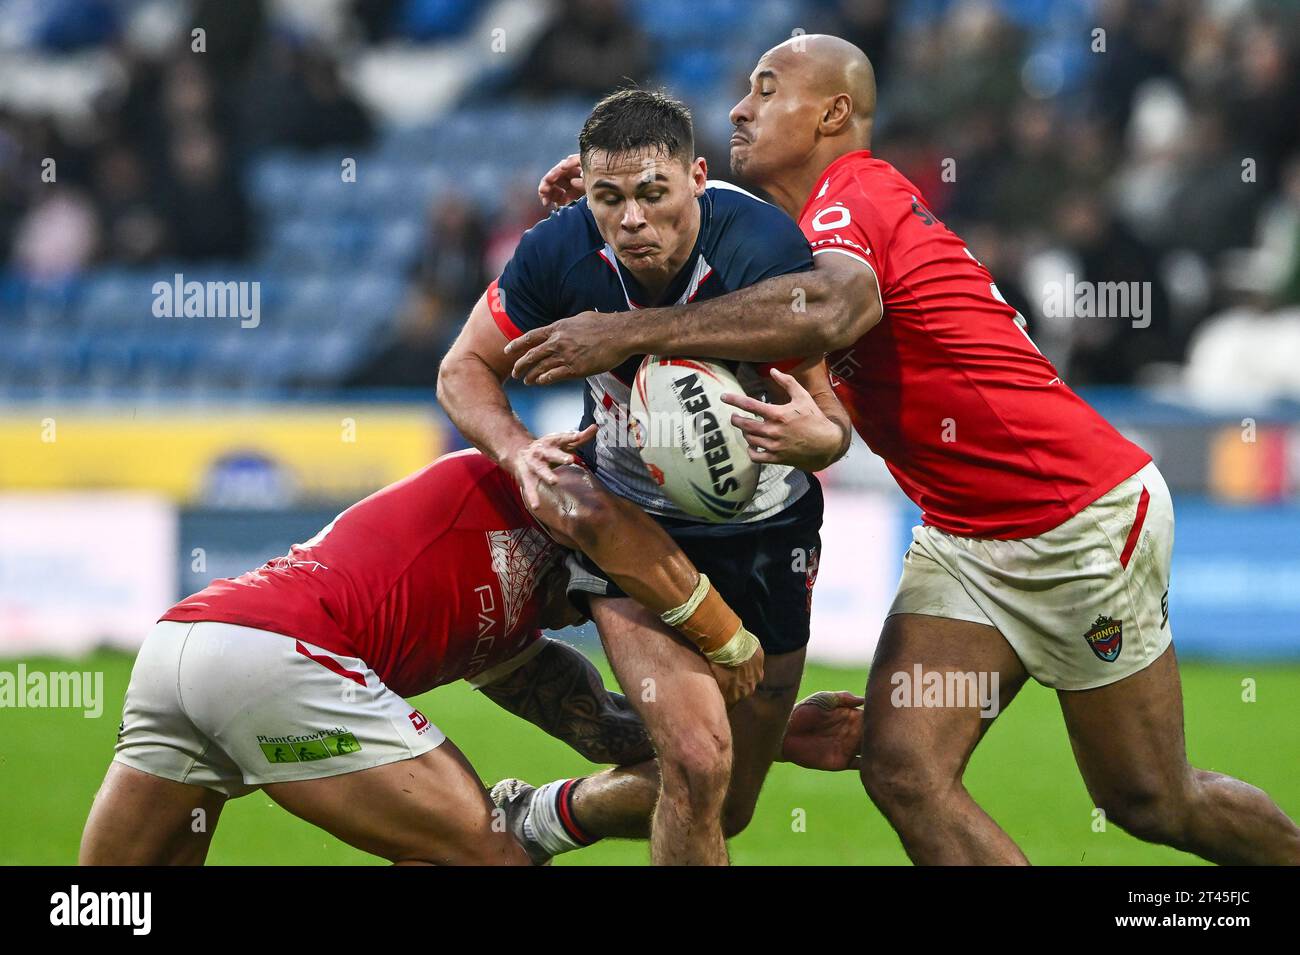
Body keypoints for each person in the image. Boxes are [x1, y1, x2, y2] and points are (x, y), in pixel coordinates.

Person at [514, 36, 1300, 865]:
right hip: (965, 536)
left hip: (1076, 516)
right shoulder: (788, 234)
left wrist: (625, 331)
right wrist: (614, 207)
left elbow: (827, 310)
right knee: (900, 767)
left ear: (834, 114)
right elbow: (722, 267)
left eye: (767, 89)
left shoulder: (855, 193)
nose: (741, 108)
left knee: (1149, 799)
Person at [437, 88, 852, 865]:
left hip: (769, 528)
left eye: (653, 193)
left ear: (698, 177)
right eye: (609, 198)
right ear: (583, 193)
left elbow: (832, 424)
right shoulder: (559, 251)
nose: (632, 219)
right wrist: (516, 448)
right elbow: (462, 369)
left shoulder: (760, 248)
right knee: (696, 760)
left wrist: (817, 440)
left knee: (729, 804)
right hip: (632, 527)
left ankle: (543, 816)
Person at [81, 442, 829, 866]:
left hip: (184, 646)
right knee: (489, 855)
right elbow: (608, 521)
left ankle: (524, 817)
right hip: (277, 654)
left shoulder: (509, 629)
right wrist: (720, 627)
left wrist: (767, 737)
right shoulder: (557, 494)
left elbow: (602, 724)